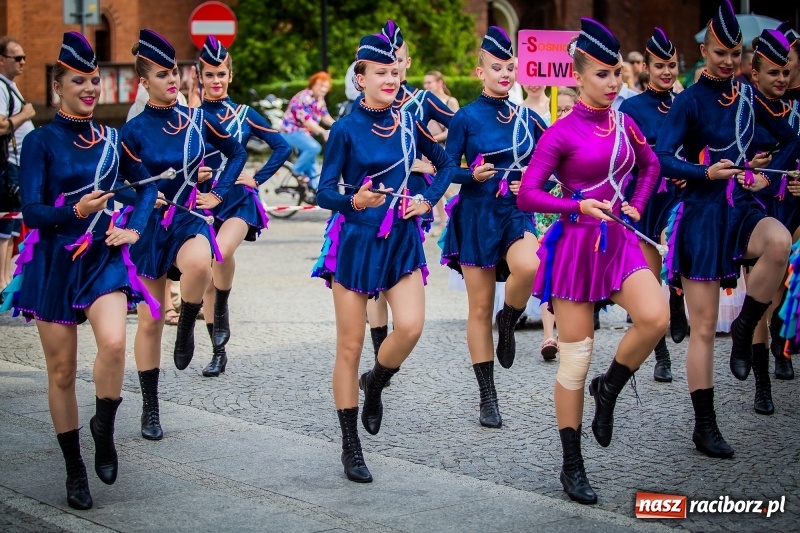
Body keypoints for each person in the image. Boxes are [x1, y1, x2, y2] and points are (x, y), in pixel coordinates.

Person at [1, 32, 156, 510]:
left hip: (103, 259)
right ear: (58, 88)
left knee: (112, 343)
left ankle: (104, 427)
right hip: (53, 264)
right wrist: (75, 211)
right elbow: (32, 211)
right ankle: (74, 467)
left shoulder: (113, 140)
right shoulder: (42, 143)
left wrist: (135, 231)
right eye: (79, 81)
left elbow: (146, 188)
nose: (90, 89)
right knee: (63, 371)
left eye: (94, 81)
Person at [517, 18, 665, 505]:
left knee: (655, 317)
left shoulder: (626, 123)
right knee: (575, 360)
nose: (613, 82)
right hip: (577, 248)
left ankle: (612, 388)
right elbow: (530, 196)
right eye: (602, 74)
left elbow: (651, 165)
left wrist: (639, 204)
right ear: (578, 76)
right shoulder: (560, 133)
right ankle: (572, 464)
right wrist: (575, 205)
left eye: (617, 73)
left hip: (619, 242)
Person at [311, 33, 468, 483]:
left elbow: (446, 162)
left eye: (395, 72)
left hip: (401, 237)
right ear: (359, 78)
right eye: (380, 73)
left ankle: (376, 381)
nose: (390, 79)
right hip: (356, 241)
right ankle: (351, 447)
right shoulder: (344, 129)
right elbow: (324, 191)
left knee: (412, 327)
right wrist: (353, 202)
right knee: (349, 345)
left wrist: (427, 200)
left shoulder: (407, 122)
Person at [655, 1, 800, 457]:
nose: (729, 61)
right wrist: (705, 172)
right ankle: (705, 425)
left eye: (735, 53)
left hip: (742, 206)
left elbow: (792, 136)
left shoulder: (749, 96)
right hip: (701, 214)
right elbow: (663, 156)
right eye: (721, 52)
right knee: (700, 329)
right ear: (705, 49)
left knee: (778, 243)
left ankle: (745, 327)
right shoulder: (689, 101)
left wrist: (766, 171)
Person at [121, 29, 247, 441]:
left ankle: (190, 320)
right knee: (150, 321)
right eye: (161, 75)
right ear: (144, 82)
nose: (171, 80)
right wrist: (147, 195)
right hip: (148, 228)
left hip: (188, 217)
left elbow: (238, 152)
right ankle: (150, 408)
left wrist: (219, 192)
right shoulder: (133, 131)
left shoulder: (196, 119)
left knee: (200, 265)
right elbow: (128, 178)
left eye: (173, 72)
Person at [441, 26, 546, 429]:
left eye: (510, 66)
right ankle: (488, 395)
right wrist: (472, 174)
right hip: (477, 215)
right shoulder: (465, 117)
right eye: (497, 67)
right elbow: (449, 168)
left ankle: (511, 317)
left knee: (531, 266)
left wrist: (536, 183)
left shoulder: (527, 117)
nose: (505, 73)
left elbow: (552, 163)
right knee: (479, 307)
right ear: (480, 70)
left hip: (516, 212)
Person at [364, 21, 458, 377]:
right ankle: (379, 353)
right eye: (386, 61)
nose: (395, 67)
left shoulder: (422, 100)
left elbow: (463, 127)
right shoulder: (368, 104)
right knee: (374, 277)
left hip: (412, 197)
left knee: (397, 267)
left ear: (408, 62)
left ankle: (385, 359)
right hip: (374, 195)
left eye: (399, 60)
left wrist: (433, 161)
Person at [198, 35, 292, 376]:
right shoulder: (190, 118)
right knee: (213, 271)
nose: (216, 80)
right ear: (200, 78)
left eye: (221, 74)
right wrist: (194, 172)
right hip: (203, 200)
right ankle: (217, 351)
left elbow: (281, 147)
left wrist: (258, 177)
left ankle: (222, 306)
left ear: (230, 76)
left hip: (238, 200)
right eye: (209, 74)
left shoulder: (243, 114)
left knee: (217, 253)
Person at [618, 28, 687, 383]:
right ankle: (661, 355)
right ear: (646, 67)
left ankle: (677, 297)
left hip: (682, 193)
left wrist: (687, 169)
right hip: (645, 195)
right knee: (650, 271)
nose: (667, 72)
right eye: (660, 66)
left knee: (681, 257)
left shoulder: (684, 102)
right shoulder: (630, 107)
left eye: (672, 65)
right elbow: (629, 155)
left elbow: (696, 146)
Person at [748, 29, 798, 402]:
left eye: (786, 71)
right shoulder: (745, 110)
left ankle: (783, 337)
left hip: (794, 207)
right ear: (756, 74)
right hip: (756, 207)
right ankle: (762, 379)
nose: (781, 79)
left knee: (783, 282)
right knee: (758, 292)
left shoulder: (797, 111)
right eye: (773, 72)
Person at [0, 36, 34, 293]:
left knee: (11, 227)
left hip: (18, 164)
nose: (23, 62)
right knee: (5, 225)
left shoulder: (9, 86)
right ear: (2, 60)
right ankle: (2, 282)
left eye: (24, 57)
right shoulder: (0, 87)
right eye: (17, 57)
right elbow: (1, 124)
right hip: (9, 163)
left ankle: (6, 279)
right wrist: (26, 114)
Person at [280, 72, 334, 189]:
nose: (323, 89)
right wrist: (323, 132)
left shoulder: (319, 99)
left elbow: (325, 117)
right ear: (313, 84)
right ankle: (296, 170)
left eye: (326, 86)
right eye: (320, 85)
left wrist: (338, 126)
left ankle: (314, 192)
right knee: (314, 148)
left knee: (311, 162)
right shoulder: (304, 97)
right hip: (290, 132)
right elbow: (307, 121)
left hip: (302, 134)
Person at [422, 70, 459, 236]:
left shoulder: (451, 101)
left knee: (442, 183)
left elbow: (456, 127)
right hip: (428, 150)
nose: (427, 86)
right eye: (425, 83)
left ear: (439, 82)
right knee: (432, 183)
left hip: (444, 149)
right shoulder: (425, 101)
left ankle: (454, 209)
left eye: (430, 82)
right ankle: (444, 219)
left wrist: (434, 138)